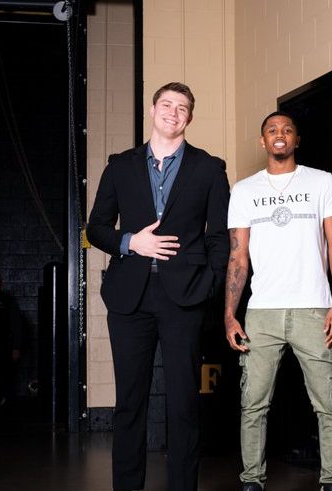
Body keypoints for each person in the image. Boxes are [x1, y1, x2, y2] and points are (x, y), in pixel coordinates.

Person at [87, 82, 230, 491]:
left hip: (184, 297)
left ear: (190, 117)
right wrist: (132, 242)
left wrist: (211, 286)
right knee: (130, 403)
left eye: (182, 107)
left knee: (183, 403)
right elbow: (95, 228)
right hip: (129, 298)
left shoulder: (209, 168)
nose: (173, 112)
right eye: (166, 104)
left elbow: (220, 237)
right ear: (153, 110)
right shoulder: (119, 166)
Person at [224, 111, 332, 491]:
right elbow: (237, 257)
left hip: (314, 308)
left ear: (297, 139)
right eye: (272, 131)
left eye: (287, 130)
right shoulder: (244, 191)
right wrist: (230, 314)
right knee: (253, 405)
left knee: (328, 403)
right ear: (263, 141)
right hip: (261, 311)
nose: (280, 136)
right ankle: (252, 481)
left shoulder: (322, 182)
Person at [0, 272, 22, 415]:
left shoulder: (8, 301)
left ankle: (2, 404)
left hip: (3, 347)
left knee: (3, 377)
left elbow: (16, 325)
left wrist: (16, 347)